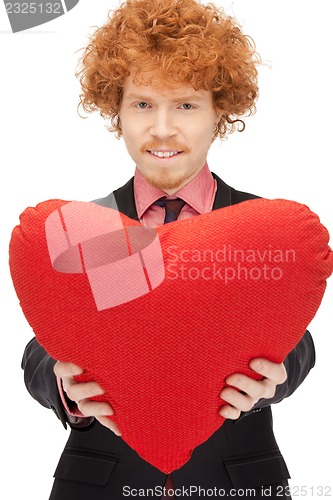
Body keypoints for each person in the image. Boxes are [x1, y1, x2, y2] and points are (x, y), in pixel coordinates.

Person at [21, 0, 315, 498]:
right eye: (142, 104)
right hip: (102, 483)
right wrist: (64, 387)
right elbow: (44, 345)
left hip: (238, 482)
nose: (161, 128)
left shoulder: (261, 228)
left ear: (220, 109)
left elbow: (295, 336)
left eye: (185, 104)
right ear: (114, 108)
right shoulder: (86, 228)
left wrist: (279, 377)